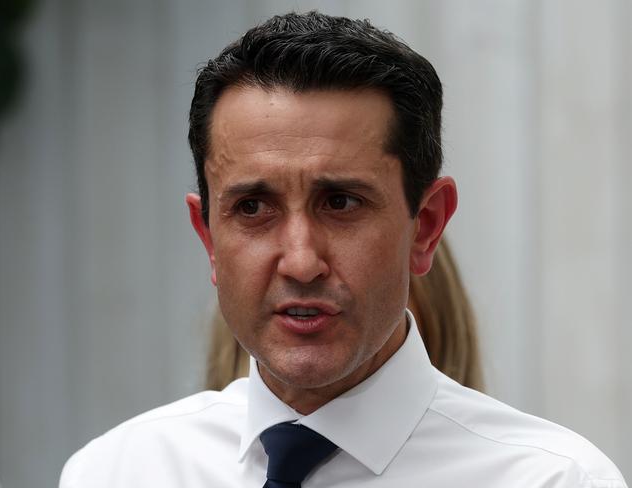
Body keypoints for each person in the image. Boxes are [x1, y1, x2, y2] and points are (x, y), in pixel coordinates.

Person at [59, 11, 627, 488]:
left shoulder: (553, 480)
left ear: (425, 226)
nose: (301, 261)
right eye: (253, 208)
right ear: (207, 235)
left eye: (341, 203)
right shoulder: (115, 471)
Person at [205, 236, 484, 392]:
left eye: (340, 202)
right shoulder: (168, 460)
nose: (302, 267)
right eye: (252, 206)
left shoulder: (517, 471)